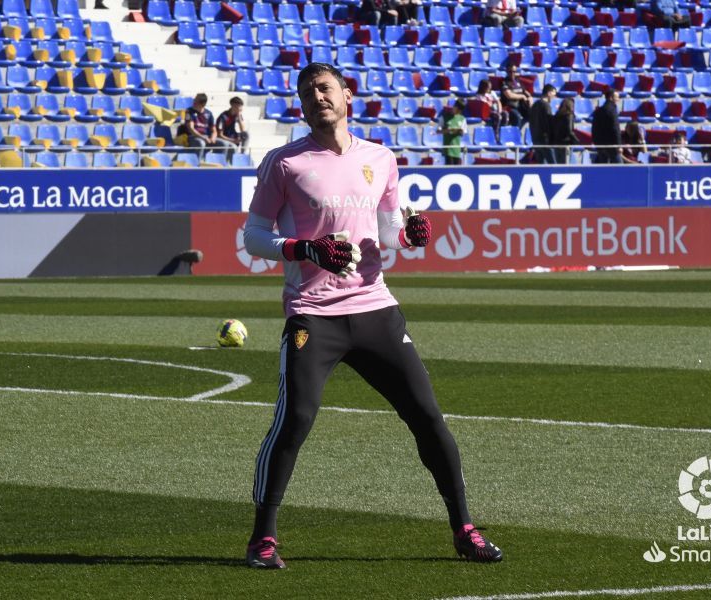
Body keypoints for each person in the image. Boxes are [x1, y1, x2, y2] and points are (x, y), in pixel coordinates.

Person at [242, 62, 503, 570]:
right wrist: (304, 249)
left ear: (347, 96)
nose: (316, 97)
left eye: (324, 88)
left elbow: (386, 233)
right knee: (295, 420)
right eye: (307, 92)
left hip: (375, 308)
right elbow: (253, 236)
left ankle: (464, 528)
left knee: (427, 416)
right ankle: (262, 539)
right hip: (314, 314)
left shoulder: (380, 158)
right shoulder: (284, 162)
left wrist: (407, 236)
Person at [177, 93, 224, 159]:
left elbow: (214, 130)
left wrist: (213, 138)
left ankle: (218, 163)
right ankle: (198, 163)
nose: (194, 101)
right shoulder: (189, 112)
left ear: (203, 104)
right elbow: (191, 129)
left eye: (196, 100)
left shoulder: (209, 113)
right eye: (194, 99)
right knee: (201, 143)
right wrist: (203, 138)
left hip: (206, 137)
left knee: (223, 144)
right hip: (192, 137)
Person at [591, 88, 621, 164]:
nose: (618, 99)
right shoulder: (612, 110)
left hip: (600, 145)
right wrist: (619, 145)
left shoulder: (598, 110)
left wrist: (596, 142)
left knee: (603, 167)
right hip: (612, 145)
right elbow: (615, 128)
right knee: (619, 167)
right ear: (611, 97)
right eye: (617, 97)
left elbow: (594, 128)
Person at [529, 84, 556, 164]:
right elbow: (549, 123)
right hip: (545, 141)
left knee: (541, 166)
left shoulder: (535, 105)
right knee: (554, 166)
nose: (554, 97)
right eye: (554, 94)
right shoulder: (546, 106)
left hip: (535, 139)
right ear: (549, 93)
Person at [215, 96, 249, 161]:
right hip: (225, 138)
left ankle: (242, 154)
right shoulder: (223, 116)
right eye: (239, 106)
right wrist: (233, 140)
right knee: (233, 147)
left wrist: (239, 117)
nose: (240, 109)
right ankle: (230, 163)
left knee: (246, 134)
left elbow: (242, 130)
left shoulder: (238, 115)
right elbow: (220, 135)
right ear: (233, 105)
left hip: (233, 137)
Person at [551, 96, 578, 164]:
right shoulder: (569, 115)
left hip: (557, 143)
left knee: (559, 164)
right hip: (566, 143)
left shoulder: (557, 114)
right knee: (566, 163)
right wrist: (577, 141)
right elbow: (569, 131)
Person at [439, 100, 467, 165]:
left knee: (457, 168)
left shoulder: (462, 119)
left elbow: (463, 133)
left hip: (456, 149)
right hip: (448, 149)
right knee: (449, 167)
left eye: (459, 110)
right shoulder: (444, 117)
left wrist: (459, 131)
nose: (457, 111)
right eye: (455, 107)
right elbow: (438, 131)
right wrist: (448, 130)